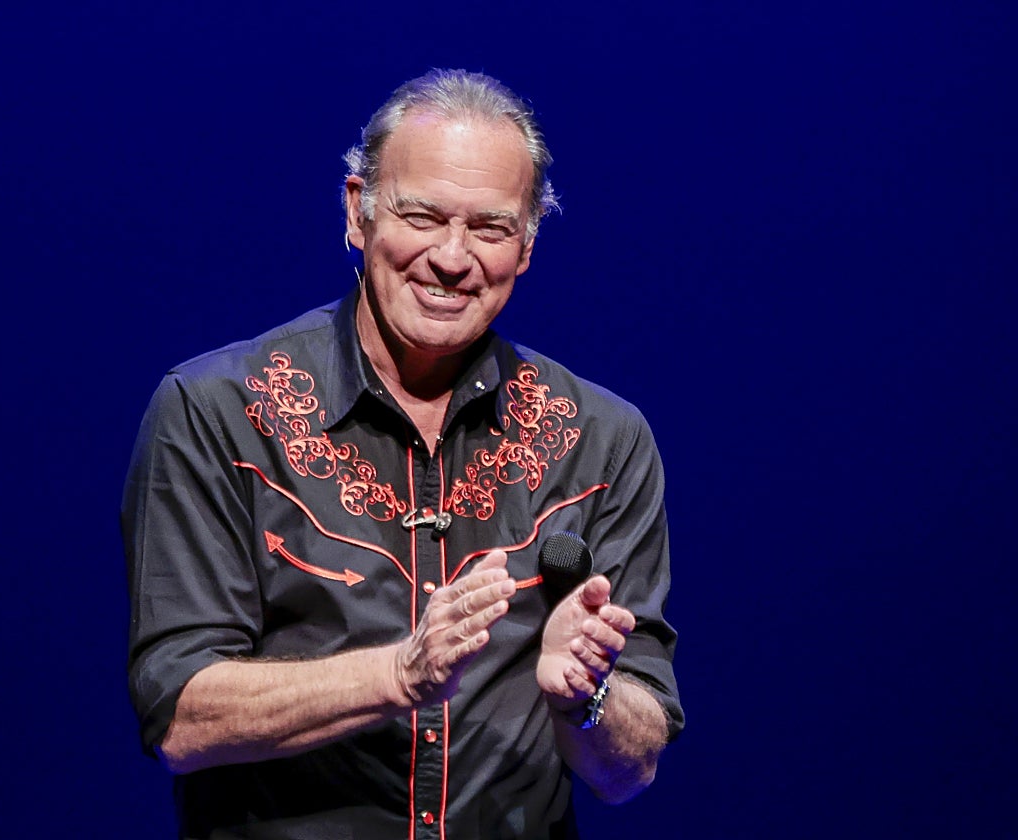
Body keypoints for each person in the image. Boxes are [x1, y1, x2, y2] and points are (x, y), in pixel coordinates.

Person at [122, 68, 683, 839]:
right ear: (358, 212)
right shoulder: (217, 411)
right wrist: (399, 675)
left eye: (490, 229)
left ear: (526, 246)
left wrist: (584, 698)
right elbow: (179, 716)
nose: (452, 257)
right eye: (421, 216)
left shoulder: (604, 440)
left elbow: (630, 770)